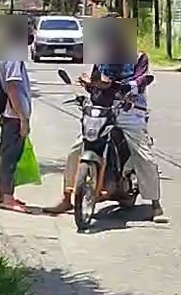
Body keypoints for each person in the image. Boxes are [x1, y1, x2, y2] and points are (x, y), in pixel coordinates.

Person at [49, 44, 166, 221]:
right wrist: (90, 84)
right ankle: (67, 197)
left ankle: (155, 204)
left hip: (130, 112)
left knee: (144, 155)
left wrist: (114, 85)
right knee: (76, 149)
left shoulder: (139, 57)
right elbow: (97, 84)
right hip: (102, 110)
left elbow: (140, 83)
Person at [0, 26, 33, 212]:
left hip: (11, 115)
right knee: (10, 158)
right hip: (13, 116)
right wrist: (22, 118)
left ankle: (4, 195)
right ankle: (7, 198)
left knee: (6, 155)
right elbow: (12, 88)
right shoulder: (13, 58)